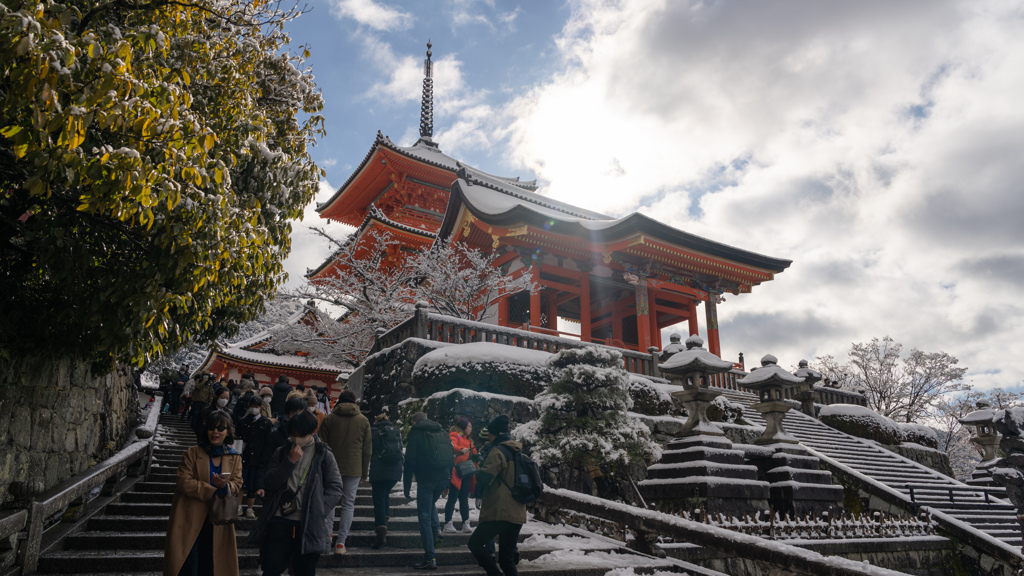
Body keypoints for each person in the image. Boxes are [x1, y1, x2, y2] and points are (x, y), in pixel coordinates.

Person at [249, 410, 344, 576]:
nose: (296, 438)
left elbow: (336, 487)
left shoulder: (323, 454)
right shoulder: (282, 452)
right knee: (271, 567)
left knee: (305, 570)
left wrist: (319, 509)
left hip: (308, 523)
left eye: (300, 434)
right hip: (280, 519)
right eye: (293, 434)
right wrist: (289, 462)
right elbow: (270, 482)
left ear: (312, 432)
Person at [162, 410, 243, 576]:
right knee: (188, 562)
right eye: (212, 427)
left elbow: (237, 483)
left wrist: (225, 487)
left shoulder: (234, 457)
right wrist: (212, 490)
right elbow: (184, 481)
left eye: (221, 429)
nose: (216, 432)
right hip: (190, 514)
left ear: (228, 432)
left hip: (218, 517)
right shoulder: (193, 453)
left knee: (212, 562)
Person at [468, 416, 526, 576]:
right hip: (517, 512)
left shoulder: (497, 451)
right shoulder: (517, 451)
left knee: (475, 543)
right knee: (507, 559)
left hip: (500, 511)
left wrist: (476, 470)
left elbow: (485, 478)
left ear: (493, 435)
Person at [318, 389, 370, 555]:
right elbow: (367, 450)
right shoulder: (363, 420)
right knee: (348, 504)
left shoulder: (329, 419)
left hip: (331, 467)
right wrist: (364, 472)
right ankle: (341, 543)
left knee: (330, 501)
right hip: (354, 468)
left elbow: (321, 445)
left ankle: (328, 536)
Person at [403, 411, 454, 570]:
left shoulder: (415, 432)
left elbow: (409, 460)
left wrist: (406, 487)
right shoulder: (442, 431)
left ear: (414, 422)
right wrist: (448, 483)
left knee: (424, 516)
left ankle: (430, 558)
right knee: (430, 503)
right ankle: (437, 528)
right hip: (443, 477)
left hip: (426, 479)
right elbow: (450, 456)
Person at [368, 412, 404, 549]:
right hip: (395, 471)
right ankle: (385, 521)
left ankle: (381, 533)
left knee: (378, 500)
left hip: (379, 471)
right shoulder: (396, 431)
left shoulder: (373, 431)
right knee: (385, 495)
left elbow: (369, 450)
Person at [238, 396, 275, 519]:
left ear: (261, 407)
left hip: (258, 456)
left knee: (253, 485)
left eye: (257, 406)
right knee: (240, 483)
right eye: (252, 406)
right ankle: (238, 506)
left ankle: (249, 508)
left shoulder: (266, 423)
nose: (254, 408)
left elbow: (268, 442)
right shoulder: (243, 421)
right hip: (244, 454)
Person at [443, 417, 477, 533]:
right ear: (463, 426)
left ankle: (466, 522)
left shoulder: (469, 441)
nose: (470, 429)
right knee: (452, 498)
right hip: (456, 472)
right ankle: (448, 522)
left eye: (471, 427)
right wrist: (461, 449)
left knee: (464, 499)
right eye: (468, 426)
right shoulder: (455, 435)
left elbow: (473, 454)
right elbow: (451, 447)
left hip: (466, 472)